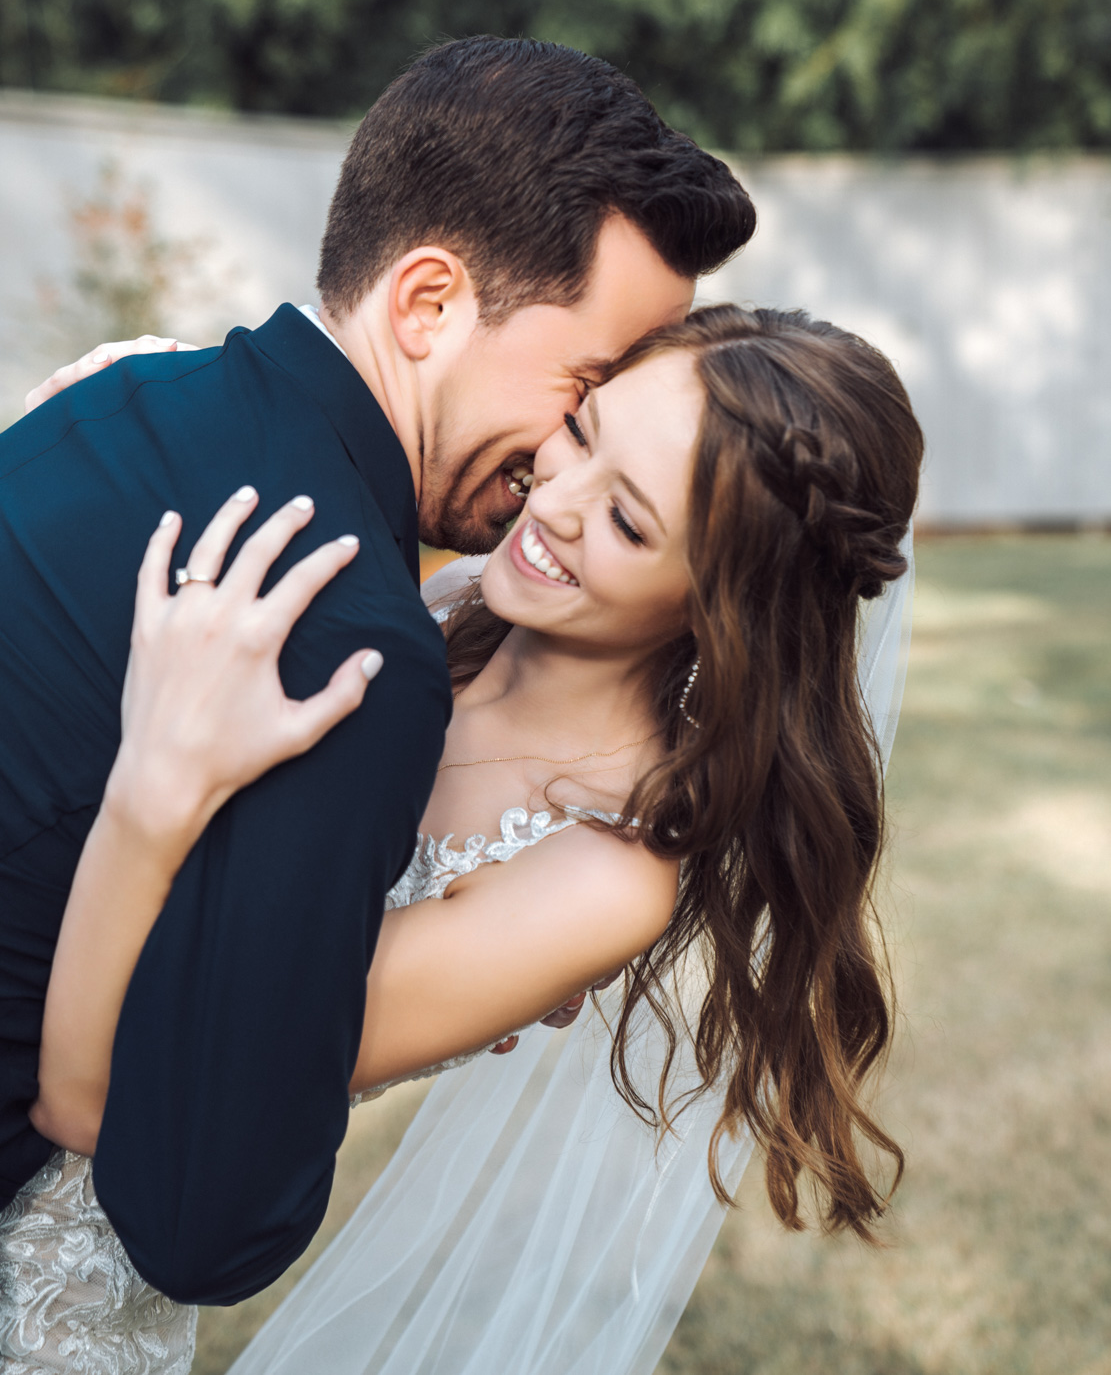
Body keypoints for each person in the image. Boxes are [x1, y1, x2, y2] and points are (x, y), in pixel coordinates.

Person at [0, 36, 756, 1364]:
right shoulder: (348, 642)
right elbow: (204, 1226)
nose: (555, 476)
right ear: (424, 303)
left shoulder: (125, 395)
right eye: (581, 395)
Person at [21, 303, 922, 1374]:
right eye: (581, 430)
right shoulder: (435, 607)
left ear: (723, 606)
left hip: (58, 1259)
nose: (555, 501)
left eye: (630, 524)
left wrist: (150, 791)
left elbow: (107, 1099)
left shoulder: (596, 872)